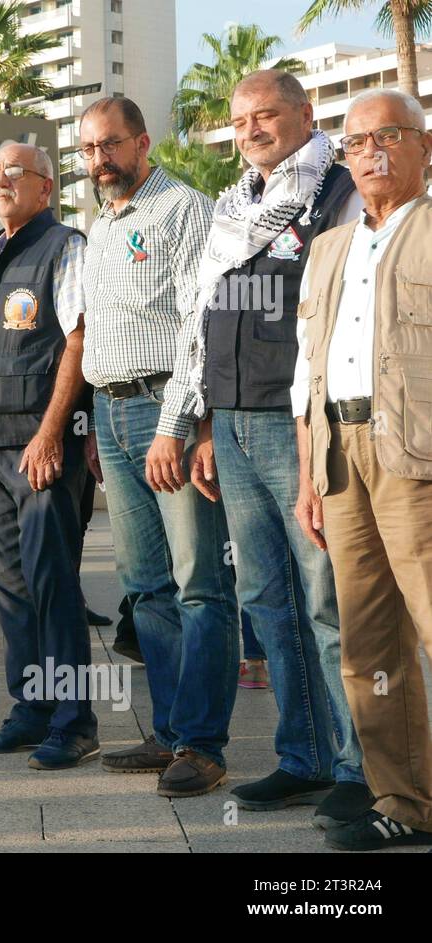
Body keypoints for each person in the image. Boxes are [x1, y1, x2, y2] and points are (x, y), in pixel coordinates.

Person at [155, 69, 369, 824]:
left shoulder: (336, 192)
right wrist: (204, 423)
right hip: (236, 423)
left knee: (325, 597)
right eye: (240, 120)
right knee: (266, 599)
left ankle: (359, 765)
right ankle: (303, 755)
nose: (249, 129)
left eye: (266, 115)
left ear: (306, 115)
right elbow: (206, 318)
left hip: (301, 422)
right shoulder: (231, 205)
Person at [78, 98, 240, 797]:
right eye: (87, 149)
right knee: (145, 588)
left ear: (143, 142)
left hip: (162, 408)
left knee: (199, 582)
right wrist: (96, 422)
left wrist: (179, 425)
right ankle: (171, 729)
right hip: (112, 415)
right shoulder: (100, 223)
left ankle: (203, 744)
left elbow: (198, 328)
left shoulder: (184, 209)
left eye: (110, 145)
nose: (98, 160)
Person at [292, 88, 432, 851]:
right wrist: (309, 472)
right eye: (354, 142)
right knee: (368, 646)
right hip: (342, 457)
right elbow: (308, 372)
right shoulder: (330, 247)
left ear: (423, 145)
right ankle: (405, 800)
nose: (369, 150)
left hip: (417, 456)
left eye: (387, 135)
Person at [0, 143, 99, 769]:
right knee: (9, 591)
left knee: (53, 588)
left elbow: (78, 342)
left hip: (38, 449)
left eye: (15, 173)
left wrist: (50, 434)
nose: (1, 181)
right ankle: (32, 708)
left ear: (47, 187)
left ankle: (75, 720)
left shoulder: (63, 247)